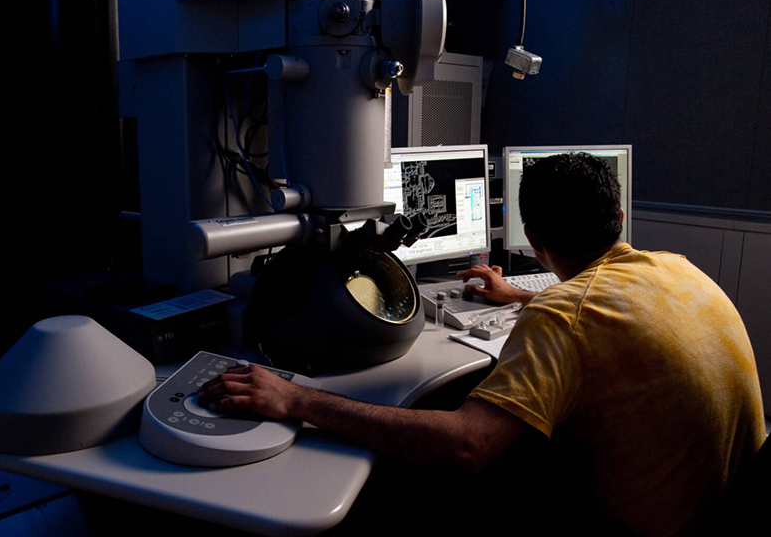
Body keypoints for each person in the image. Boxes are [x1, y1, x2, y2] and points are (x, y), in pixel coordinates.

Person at [198, 153, 765, 536]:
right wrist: (519, 294)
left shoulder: (565, 314)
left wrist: (297, 400)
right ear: (619, 217)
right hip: (716, 505)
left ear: (534, 239)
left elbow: (467, 446)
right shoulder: (676, 268)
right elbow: (607, 312)